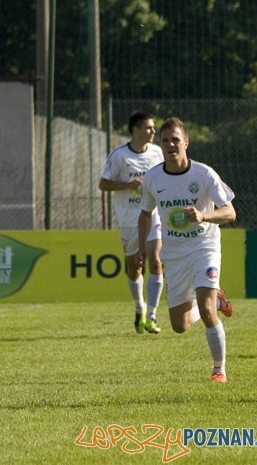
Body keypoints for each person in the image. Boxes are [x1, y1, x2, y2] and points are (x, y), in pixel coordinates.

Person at [137, 117, 236, 383]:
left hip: (204, 247)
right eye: (165, 140)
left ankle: (219, 370)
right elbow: (145, 214)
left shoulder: (203, 174)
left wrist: (204, 215)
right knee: (179, 326)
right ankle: (217, 300)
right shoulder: (153, 177)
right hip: (174, 253)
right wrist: (141, 247)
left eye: (175, 140)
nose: (170, 144)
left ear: (186, 143)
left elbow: (230, 212)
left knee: (205, 311)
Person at [99, 111, 165, 334]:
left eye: (153, 127)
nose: (153, 131)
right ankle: (140, 307)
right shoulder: (119, 155)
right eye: (148, 128)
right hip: (128, 218)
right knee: (134, 266)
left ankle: (153, 315)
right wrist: (127, 184)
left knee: (155, 261)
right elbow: (103, 184)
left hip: (152, 214)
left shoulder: (157, 153)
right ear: (135, 130)